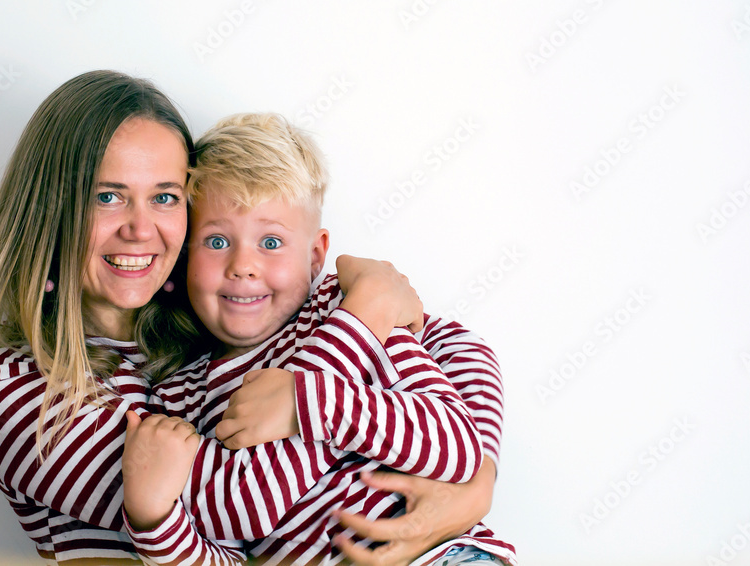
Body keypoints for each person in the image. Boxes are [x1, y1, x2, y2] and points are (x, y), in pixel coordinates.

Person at [0, 71, 504, 565]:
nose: (141, 230)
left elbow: (458, 347)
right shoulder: (17, 385)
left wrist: (474, 482)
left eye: (165, 197)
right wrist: (359, 325)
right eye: (108, 196)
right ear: (52, 207)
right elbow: (237, 505)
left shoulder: (218, 326)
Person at [120, 113, 515, 565]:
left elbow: (456, 445)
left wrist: (306, 401)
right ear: (184, 255)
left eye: (271, 243)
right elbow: (232, 525)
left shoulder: (345, 313)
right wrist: (156, 525)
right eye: (216, 242)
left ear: (315, 257)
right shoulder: (179, 398)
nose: (243, 265)